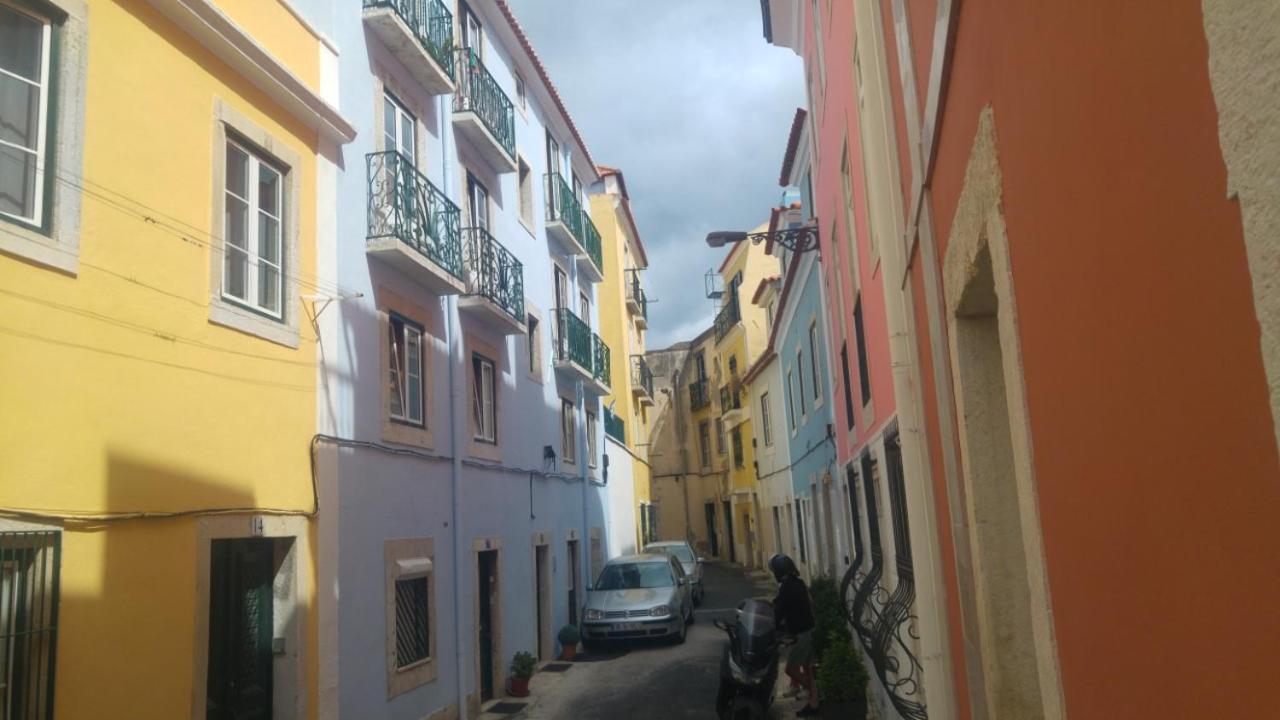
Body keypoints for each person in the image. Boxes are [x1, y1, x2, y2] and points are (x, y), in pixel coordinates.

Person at [770, 554, 819, 717]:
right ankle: (813, 703)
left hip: (802, 632)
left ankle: (816, 693)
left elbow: (778, 611)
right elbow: (780, 603)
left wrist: (772, 627)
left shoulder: (786, 587)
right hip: (808, 629)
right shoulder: (798, 583)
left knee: (791, 668)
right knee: (807, 668)